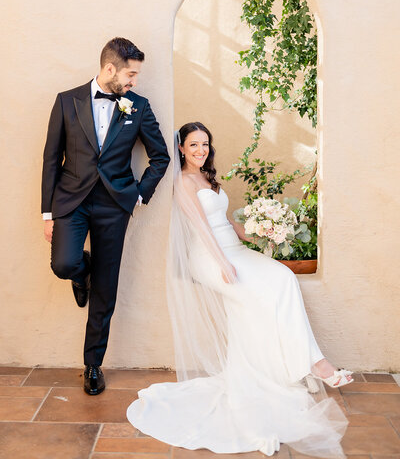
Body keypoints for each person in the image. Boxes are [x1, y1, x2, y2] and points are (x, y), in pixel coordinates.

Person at [127, 122, 352, 458]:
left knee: (283, 279)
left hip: (235, 251)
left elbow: (228, 223)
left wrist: (265, 231)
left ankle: (283, 367)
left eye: (205, 144)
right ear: (182, 149)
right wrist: (222, 263)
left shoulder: (208, 178)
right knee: (261, 293)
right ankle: (316, 364)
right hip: (209, 257)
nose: (200, 150)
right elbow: (203, 228)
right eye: (193, 145)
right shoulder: (183, 182)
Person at [41, 37, 170, 395]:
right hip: (71, 202)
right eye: (130, 74)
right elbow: (51, 159)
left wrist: (140, 194)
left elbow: (161, 157)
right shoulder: (67, 101)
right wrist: (47, 212)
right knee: (64, 264)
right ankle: (80, 272)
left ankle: (93, 364)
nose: (134, 82)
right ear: (110, 69)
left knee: (107, 285)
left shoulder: (138, 106)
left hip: (115, 205)